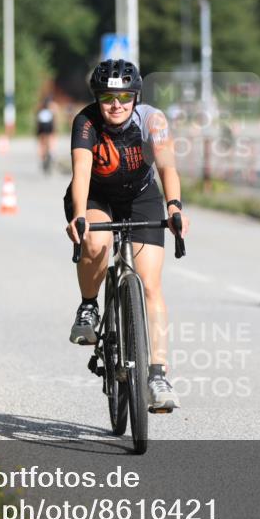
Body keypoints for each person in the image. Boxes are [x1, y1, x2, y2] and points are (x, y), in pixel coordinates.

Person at [64, 59, 190, 411]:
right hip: (95, 195)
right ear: (97, 98)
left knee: (150, 283)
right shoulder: (86, 122)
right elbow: (81, 171)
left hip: (141, 196)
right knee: (96, 242)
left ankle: (159, 376)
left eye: (123, 97)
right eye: (107, 97)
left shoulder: (153, 120)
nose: (115, 105)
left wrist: (175, 208)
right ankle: (89, 306)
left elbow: (167, 166)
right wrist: (78, 216)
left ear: (135, 97)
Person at [36, 95, 59, 173]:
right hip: (49, 126)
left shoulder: (40, 108)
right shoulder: (53, 107)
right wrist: (55, 129)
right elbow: (54, 120)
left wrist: (36, 131)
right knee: (50, 138)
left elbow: (37, 122)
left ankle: (42, 157)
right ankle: (51, 153)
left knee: (42, 142)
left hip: (42, 127)